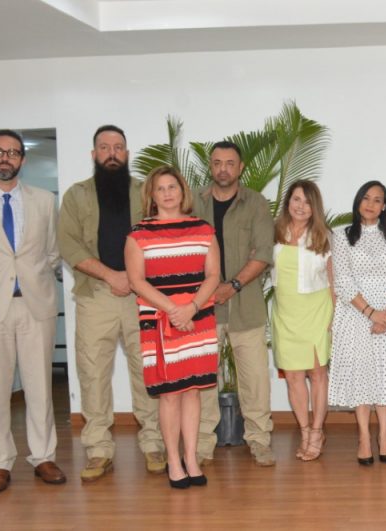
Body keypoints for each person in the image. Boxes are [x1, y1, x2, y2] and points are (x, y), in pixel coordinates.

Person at [58, 125, 165, 481]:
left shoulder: (144, 193)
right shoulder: (76, 196)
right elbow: (69, 245)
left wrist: (133, 280)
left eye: (118, 147)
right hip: (96, 296)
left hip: (142, 296)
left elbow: (159, 238)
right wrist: (110, 275)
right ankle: (98, 450)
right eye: (104, 147)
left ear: (127, 153)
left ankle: (153, 443)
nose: (112, 153)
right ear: (93, 155)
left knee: (146, 371)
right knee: (93, 373)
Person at [0, 130, 65, 494]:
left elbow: (52, 251)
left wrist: (36, 278)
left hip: (34, 304)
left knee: (40, 385)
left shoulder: (43, 201)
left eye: (12, 152)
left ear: (22, 159)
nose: (5, 158)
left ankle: (43, 456)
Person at [125, 166, 220, 489]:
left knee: (192, 391)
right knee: (169, 396)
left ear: (183, 191)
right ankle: (174, 461)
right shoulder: (138, 234)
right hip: (160, 322)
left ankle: (191, 458)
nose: (167, 193)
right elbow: (137, 281)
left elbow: (213, 276)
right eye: (160, 188)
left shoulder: (203, 229)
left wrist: (191, 307)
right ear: (151, 196)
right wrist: (173, 310)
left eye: (172, 186)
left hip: (197, 319)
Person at [193, 141, 276, 467]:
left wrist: (233, 286)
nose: (223, 169)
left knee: (255, 379)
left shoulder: (255, 203)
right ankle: (201, 445)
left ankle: (259, 440)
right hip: (202, 307)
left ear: (240, 168)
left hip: (246, 305)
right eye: (217, 163)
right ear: (210, 167)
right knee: (204, 380)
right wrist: (207, 293)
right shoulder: (194, 203)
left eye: (230, 163)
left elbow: (264, 253)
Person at [328, 181, 386, 465]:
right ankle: (364, 437)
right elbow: (342, 280)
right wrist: (370, 312)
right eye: (366, 198)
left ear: (384, 206)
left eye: (377, 199)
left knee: (385, 375)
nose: (370, 204)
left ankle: (384, 436)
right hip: (355, 313)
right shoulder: (342, 236)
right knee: (360, 375)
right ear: (358, 202)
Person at [271, 180, 334, 462]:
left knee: (317, 374)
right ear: (288, 202)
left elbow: (334, 282)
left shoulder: (324, 236)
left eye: (307, 202)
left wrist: (333, 318)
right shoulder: (273, 231)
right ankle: (305, 430)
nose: (301, 206)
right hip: (285, 313)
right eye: (296, 200)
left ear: (314, 208)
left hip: (316, 311)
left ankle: (318, 431)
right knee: (294, 376)